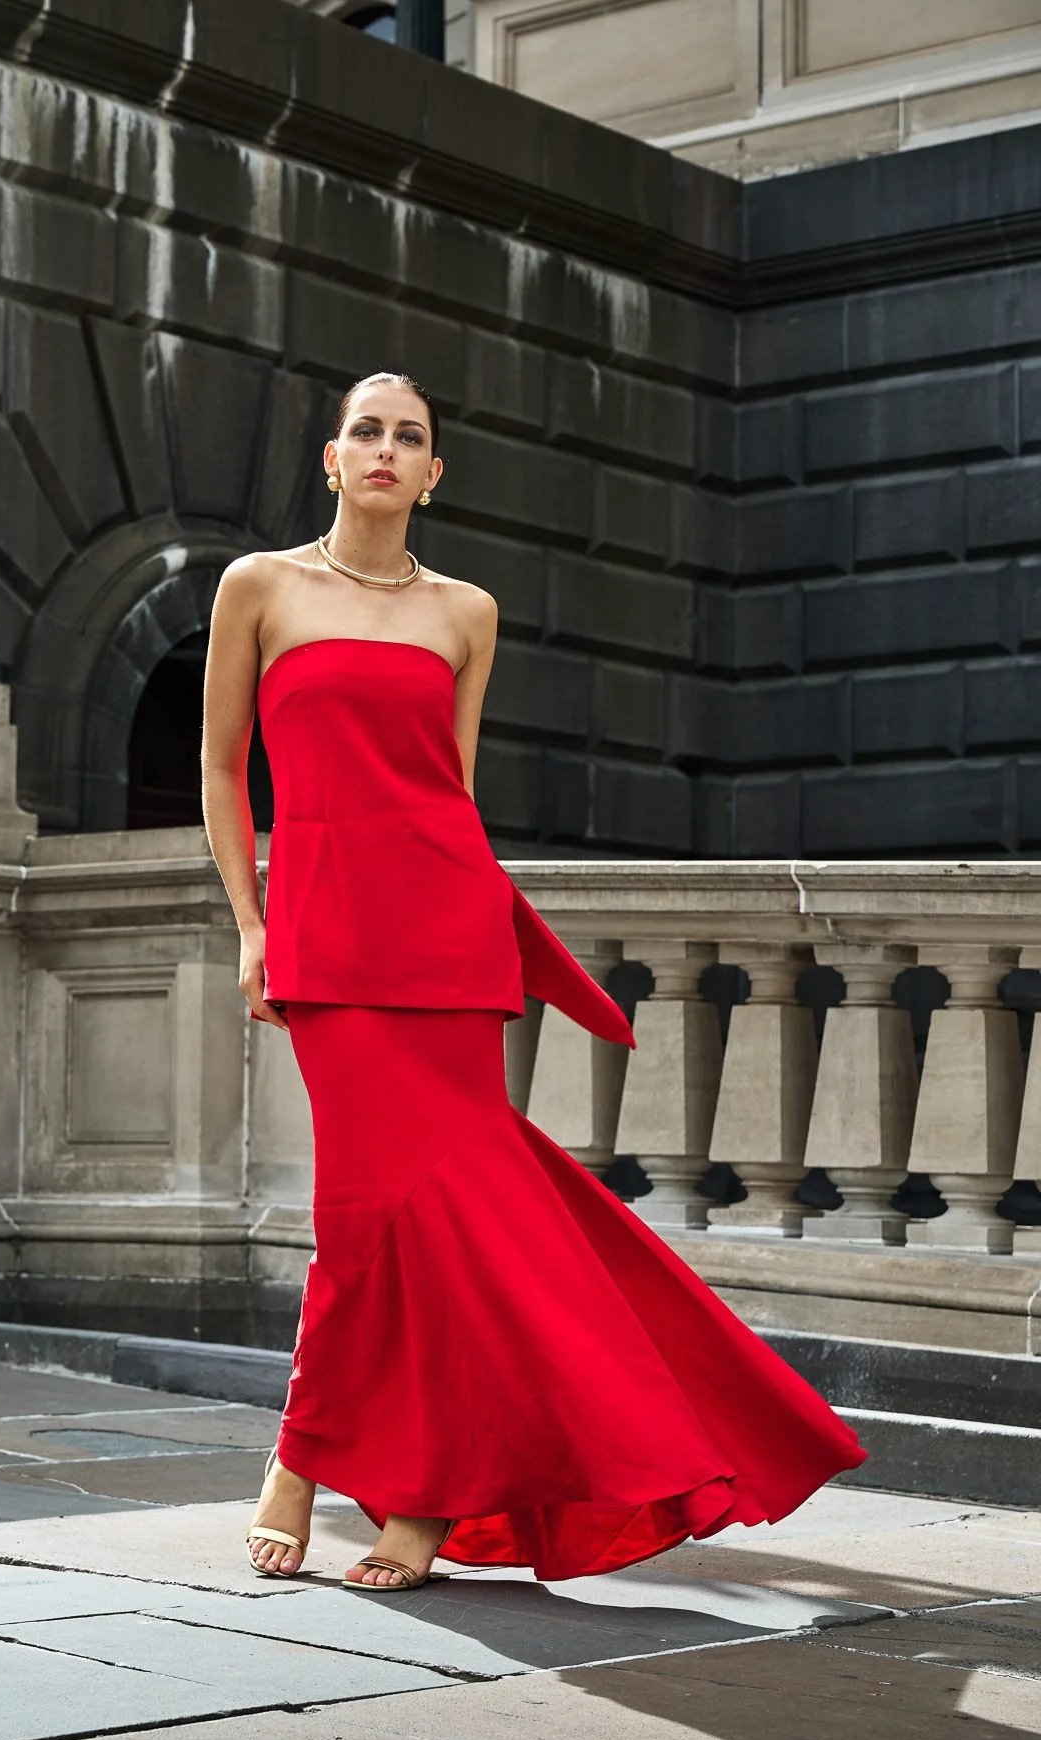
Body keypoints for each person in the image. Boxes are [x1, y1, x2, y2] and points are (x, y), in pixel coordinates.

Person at [201, 371, 865, 1593]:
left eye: (412, 434)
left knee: (443, 1222)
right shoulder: (260, 587)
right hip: (326, 932)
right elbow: (222, 768)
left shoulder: (465, 612)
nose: (388, 449)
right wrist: (250, 922)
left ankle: (406, 1492)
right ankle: (309, 1461)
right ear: (332, 461)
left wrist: (472, 915)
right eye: (367, 432)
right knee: (361, 1222)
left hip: (445, 930)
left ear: (432, 473)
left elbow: (449, 793)